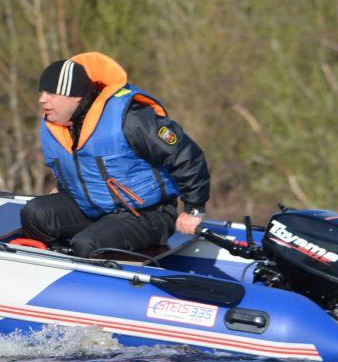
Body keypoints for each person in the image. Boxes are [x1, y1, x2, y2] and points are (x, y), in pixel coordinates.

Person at [20, 52, 210, 259]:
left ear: (75, 97)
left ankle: (96, 265)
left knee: (89, 245)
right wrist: (63, 186)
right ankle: (62, 259)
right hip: (93, 207)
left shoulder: (131, 118)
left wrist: (193, 209)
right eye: (42, 92)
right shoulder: (57, 123)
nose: (41, 100)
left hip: (146, 214)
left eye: (51, 94)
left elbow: (187, 155)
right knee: (34, 214)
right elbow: (77, 166)